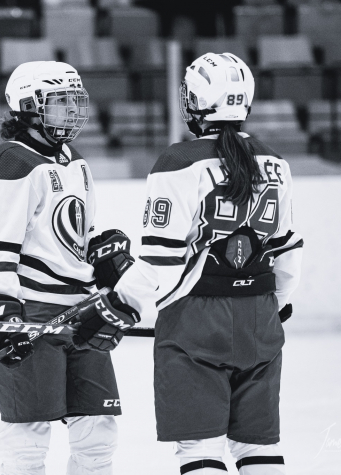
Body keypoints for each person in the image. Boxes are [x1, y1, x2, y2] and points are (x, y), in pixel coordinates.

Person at [76, 53, 303, 474]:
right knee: (257, 447)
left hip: (196, 321)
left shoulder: (180, 162)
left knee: (199, 450)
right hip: (261, 319)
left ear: (197, 101)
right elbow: (288, 252)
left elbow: (160, 262)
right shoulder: (277, 162)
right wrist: (277, 305)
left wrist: (116, 306)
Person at [0, 61, 139, 475]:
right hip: (32, 312)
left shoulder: (73, 160)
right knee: (27, 435)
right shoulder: (8, 162)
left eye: (74, 100)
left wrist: (101, 255)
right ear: (28, 106)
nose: (72, 110)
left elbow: (74, 233)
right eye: (61, 101)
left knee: (98, 430)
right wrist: (0, 308)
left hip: (84, 313)